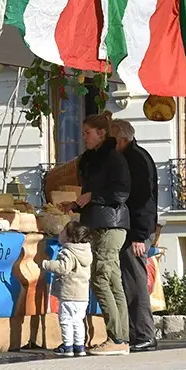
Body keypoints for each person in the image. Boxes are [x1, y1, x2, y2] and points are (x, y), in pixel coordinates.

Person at [67, 113, 131, 356]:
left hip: (109, 226)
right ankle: (122, 337)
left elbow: (120, 192)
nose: (84, 137)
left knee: (101, 279)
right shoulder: (94, 159)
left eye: (87, 133)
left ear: (101, 134)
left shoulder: (113, 158)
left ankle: (116, 338)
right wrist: (76, 205)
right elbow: (94, 192)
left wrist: (92, 196)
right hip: (102, 223)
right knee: (113, 282)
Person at [107, 118, 159, 352]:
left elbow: (143, 200)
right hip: (133, 230)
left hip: (136, 232)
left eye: (112, 139)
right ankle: (135, 333)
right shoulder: (134, 156)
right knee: (130, 282)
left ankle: (144, 334)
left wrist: (139, 235)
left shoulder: (135, 160)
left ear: (122, 139)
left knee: (135, 282)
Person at [41, 221, 93, 357]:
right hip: (82, 295)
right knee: (78, 321)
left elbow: (63, 268)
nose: (60, 233)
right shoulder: (86, 252)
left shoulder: (68, 252)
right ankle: (79, 346)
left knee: (66, 319)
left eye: (63, 231)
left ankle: (67, 345)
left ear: (69, 237)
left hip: (69, 293)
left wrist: (46, 264)